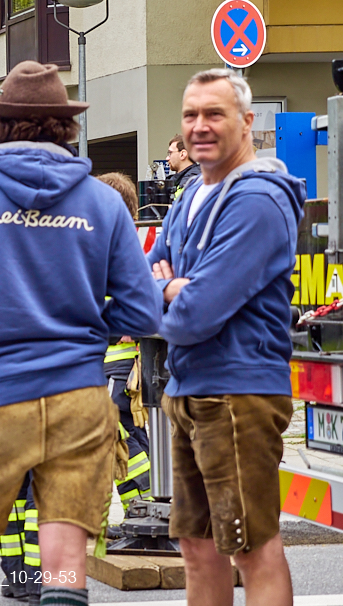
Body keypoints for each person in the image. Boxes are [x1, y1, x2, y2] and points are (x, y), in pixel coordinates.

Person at [0, 60, 161, 606]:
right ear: (65, 127)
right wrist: (91, 330)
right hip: (79, 400)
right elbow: (143, 313)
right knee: (65, 565)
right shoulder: (102, 203)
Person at [148, 68, 304, 606]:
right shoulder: (191, 193)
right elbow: (135, 294)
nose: (200, 126)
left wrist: (170, 292)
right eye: (191, 115)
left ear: (246, 121)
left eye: (214, 114)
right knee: (196, 546)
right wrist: (170, 291)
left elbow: (195, 315)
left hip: (238, 395)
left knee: (252, 548)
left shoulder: (258, 201)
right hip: (189, 391)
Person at [95, 173, 152, 515]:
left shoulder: (114, 247)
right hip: (113, 363)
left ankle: (143, 510)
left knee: (126, 438)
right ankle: (139, 512)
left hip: (120, 364)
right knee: (120, 439)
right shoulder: (114, 244)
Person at [165, 134, 201, 201]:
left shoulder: (190, 180)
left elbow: (177, 206)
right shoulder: (196, 177)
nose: (167, 158)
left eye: (170, 153)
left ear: (183, 154)